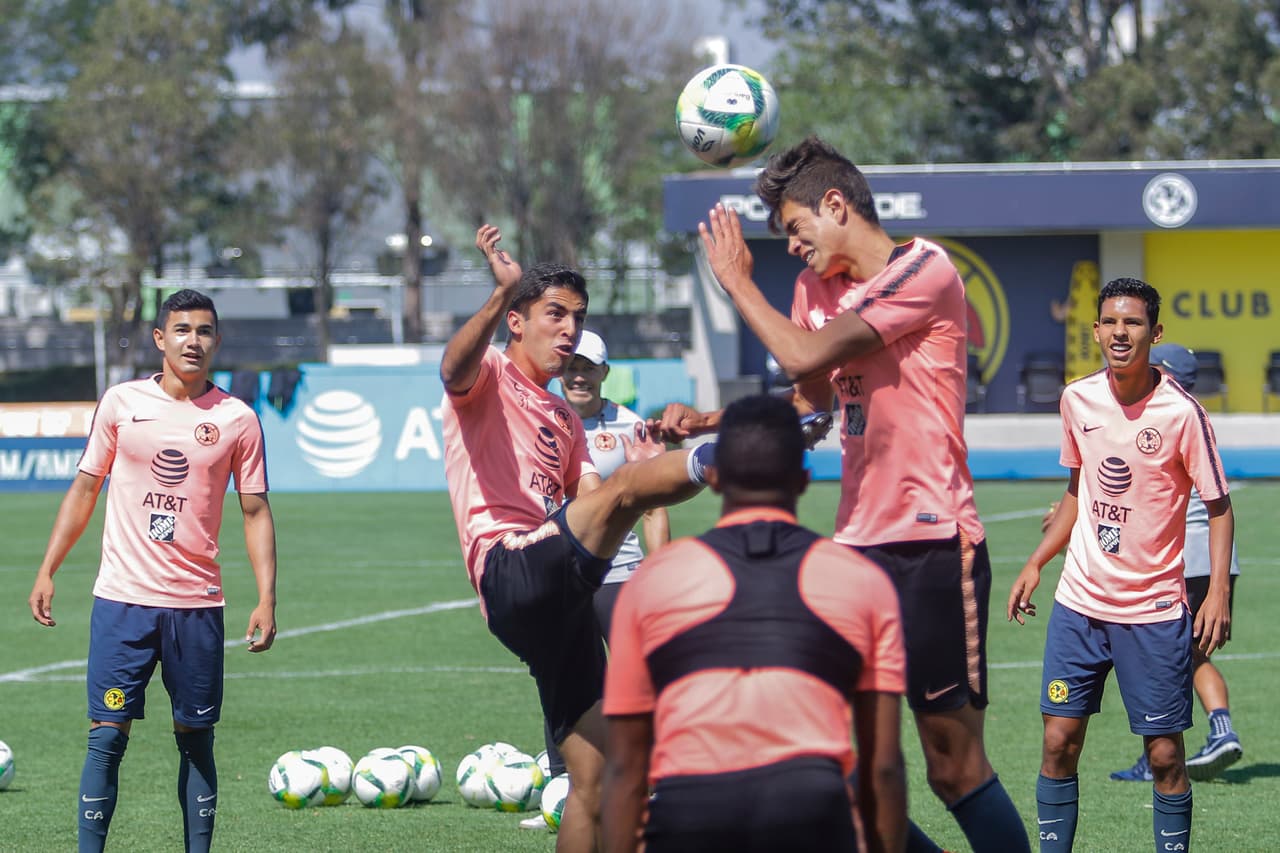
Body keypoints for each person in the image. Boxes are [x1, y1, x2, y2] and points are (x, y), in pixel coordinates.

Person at [653, 136, 1028, 853]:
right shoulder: (813, 290)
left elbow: (802, 353)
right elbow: (808, 402)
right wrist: (713, 422)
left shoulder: (927, 269)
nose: (793, 247)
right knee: (836, 761)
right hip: (854, 549)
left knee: (952, 766)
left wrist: (735, 281)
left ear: (835, 205)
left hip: (930, 546)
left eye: (796, 229)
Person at [440, 225, 705, 853]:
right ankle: (738, 453)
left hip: (561, 602)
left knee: (605, 779)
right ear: (516, 321)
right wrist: (496, 291)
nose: (568, 329)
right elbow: (453, 368)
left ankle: (723, 453)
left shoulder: (564, 418)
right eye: (554, 314)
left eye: (577, 318)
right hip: (509, 568)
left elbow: (591, 499)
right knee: (628, 490)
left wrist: (644, 470)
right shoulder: (491, 379)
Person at [27, 289, 277, 853]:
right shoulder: (120, 403)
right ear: (160, 339)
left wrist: (267, 597)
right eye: (182, 330)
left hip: (197, 605)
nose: (194, 340)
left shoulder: (238, 419)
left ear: (216, 340)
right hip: (122, 602)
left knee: (196, 738)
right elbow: (86, 488)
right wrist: (49, 569)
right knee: (106, 739)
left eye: (205, 331)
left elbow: (255, 510)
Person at [601, 393, 908, 853]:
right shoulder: (863, 582)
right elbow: (882, 766)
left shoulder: (653, 582)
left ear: (716, 476)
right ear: (803, 480)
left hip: (688, 815)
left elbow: (626, 769)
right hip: (811, 816)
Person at [1007, 278, 1234, 852]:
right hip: (1078, 607)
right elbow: (1077, 490)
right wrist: (1038, 560)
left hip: (1153, 612)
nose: (1120, 333)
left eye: (1132, 323)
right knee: (1058, 742)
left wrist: (1217, 596)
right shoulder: (1076, 399)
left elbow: (1219, 506)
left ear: (1154, 334)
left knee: (1164, 756)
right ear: (1096, 331)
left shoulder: (1183, 414)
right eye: (1110, 322)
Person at [521, 330, 672, 831]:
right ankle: (562, 789)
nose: (578, 376)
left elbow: (652, 508)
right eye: (571, 367)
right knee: (560, 679)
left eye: (589, 368)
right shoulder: (538, 420)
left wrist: (661, 572)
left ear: (606, 373)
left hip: (620, 575)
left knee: (632, 682)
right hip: (561, 577)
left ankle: (653, 782)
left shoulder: (631, 427)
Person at [1099, 343, 1241, 783]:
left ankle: (1194, 741)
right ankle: (1196, 739)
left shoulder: (1169, 415)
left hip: (1182, 556)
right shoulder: (1193, 414)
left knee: (1167, 657)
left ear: (1166, 371)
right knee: (1186, 655)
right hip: (1217, 558)